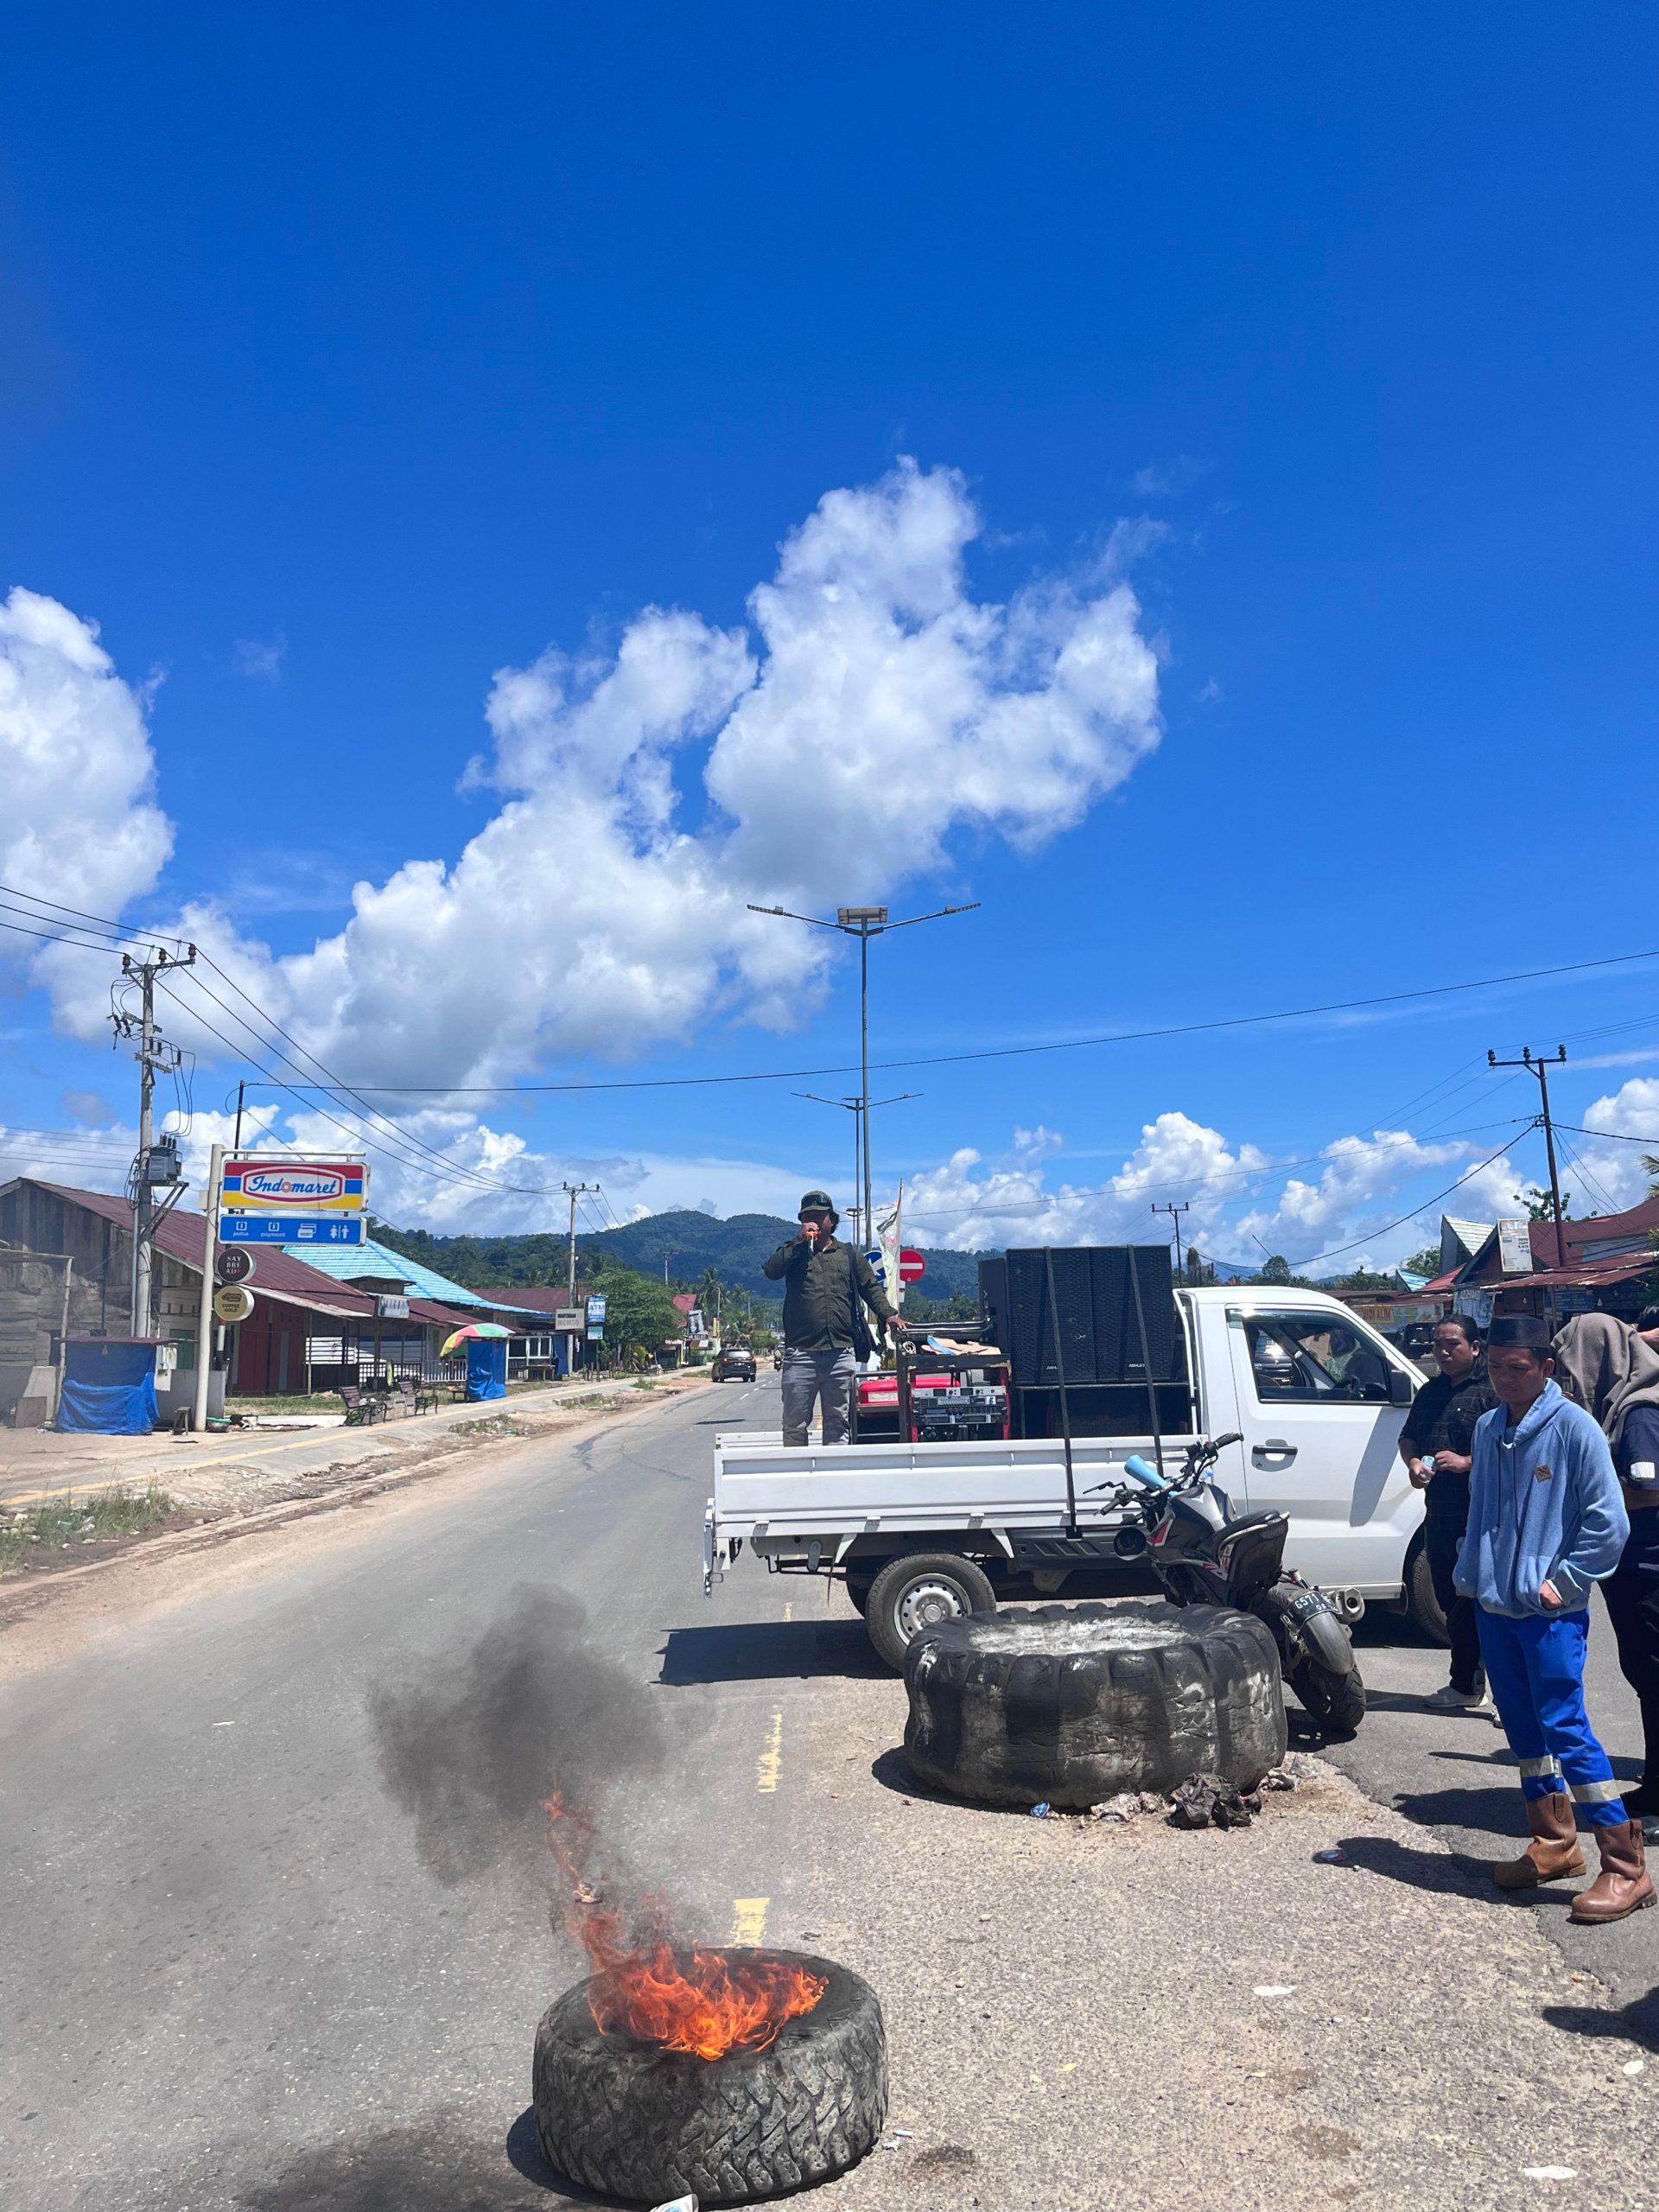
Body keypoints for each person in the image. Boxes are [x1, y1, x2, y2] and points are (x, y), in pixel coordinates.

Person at [1453, 1313, 1649, 1922]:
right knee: (1523, 1729)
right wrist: (1471, 1573)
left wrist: (1562, 1583)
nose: (1504, 1380)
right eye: (1495, 1368)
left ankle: (1627, 1868)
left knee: (1565, 1726)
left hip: (1550, 1611)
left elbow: (1609, 1522)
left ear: (1545, 1367)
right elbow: (1480, 1509)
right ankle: (1554, 1843)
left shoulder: (1574, 1428)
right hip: (1494, 1607)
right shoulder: (1488, 1427)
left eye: (1517, 1369)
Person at [1554, 1312, 1659, 1818]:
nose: (1565, 1379)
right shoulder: (1621, 1408)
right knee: (1646, 1676)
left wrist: (1587, 1493)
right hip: (1635, 1570)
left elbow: (1646, 1490)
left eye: (1570, 1364)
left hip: (1649, 1571)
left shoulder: (1638, 1414)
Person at [1399, 1314, 1497, 1712]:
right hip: (1440, 1515)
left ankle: (1508, 1698)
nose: (1442, 1352)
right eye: (1437, 1345)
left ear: (1474, 1347)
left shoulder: (1493, 1392)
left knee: (1490, 1607)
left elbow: (1512, 1450)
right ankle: (1465, 1686)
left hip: (1484, 1519)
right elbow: (1408, 1437)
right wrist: (1413, 1464)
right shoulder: (1430, 1392)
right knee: (1451, 1602)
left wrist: (1466, 1462)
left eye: (1451, 1344)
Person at [763, 1190, 900, 1447]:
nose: (813, 1221)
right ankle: (797, 1472)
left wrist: (889, 1314)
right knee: (794, 1425)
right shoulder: (793, 1253)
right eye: (808, 1217)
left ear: (832, 1220)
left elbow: (870, 1288)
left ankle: (834, 1471)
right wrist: (799, 1241)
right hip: (801, 1354)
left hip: (840, 1353)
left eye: (819, 1216)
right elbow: (771, 1271)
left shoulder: (848, 1254)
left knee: (838, 1424)